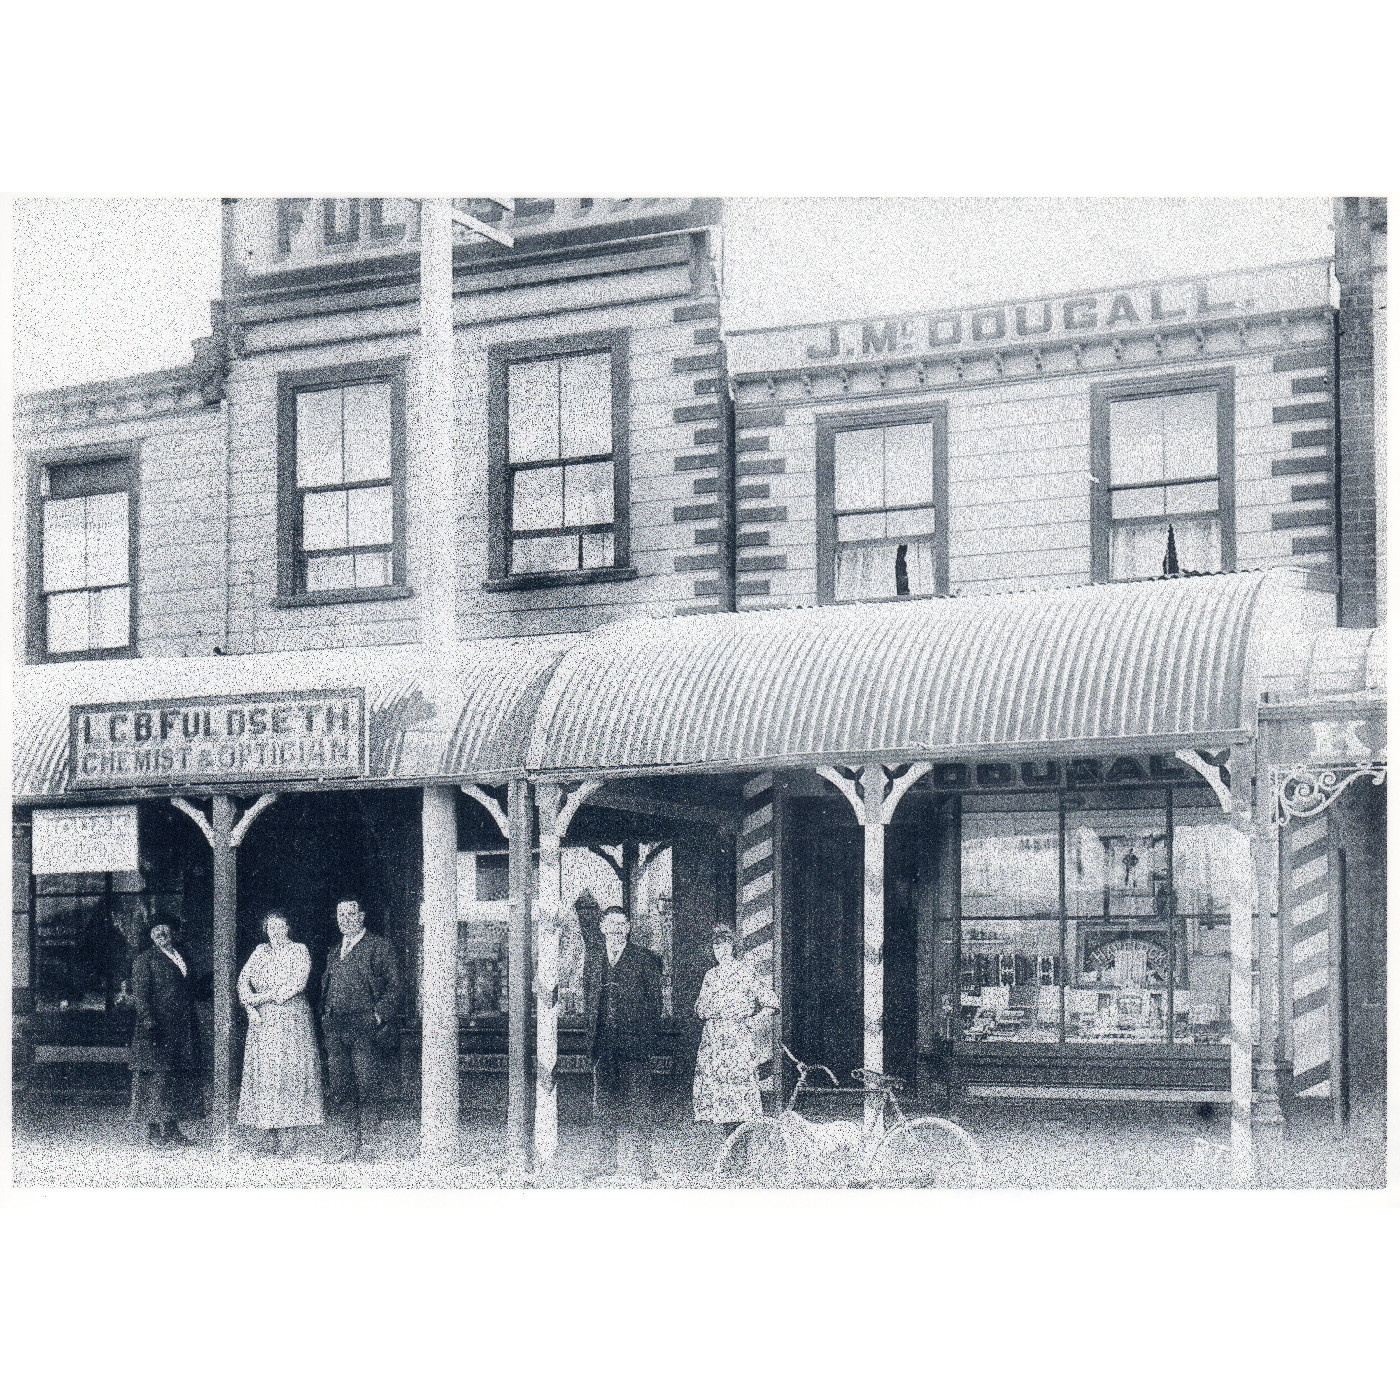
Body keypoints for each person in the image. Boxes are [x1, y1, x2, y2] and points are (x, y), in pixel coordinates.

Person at [582, 906, 663, 1181]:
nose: (616, 928)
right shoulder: (593, 960)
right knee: (603, 1107)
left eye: (621, 923)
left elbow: (655, 1006)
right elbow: (589, 1001)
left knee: (639, 1106)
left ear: (628, 928)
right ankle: (604, 1163)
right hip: (603, 1045)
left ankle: (644, 1167)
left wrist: (646, 1040)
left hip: (634, 1046)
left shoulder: (645, 959)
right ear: (602, 927)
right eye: (611, 923)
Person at [319, 895, 400, 1163]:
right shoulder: (333, 951)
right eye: (340, 915)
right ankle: (347, 1145)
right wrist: (325, 1016)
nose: (345, 920)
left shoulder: (379, 947)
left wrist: (378, 1016)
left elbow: (395, 987)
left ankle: (369, 1148)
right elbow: (326, 988)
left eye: (350, 915)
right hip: (336, 1029)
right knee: (341, 1087)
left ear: (362, 917)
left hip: (364, 1027)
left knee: (367, 1085)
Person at [237, 910, 325, 1154]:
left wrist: (260, 998)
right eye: (271, 927)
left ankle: (291, 1134)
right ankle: (268, 1131)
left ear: (288, 928)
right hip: (263, 1022)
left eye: (280, 926)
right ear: (265, 930)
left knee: (289, 1073)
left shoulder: (299, 950)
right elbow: (242, 982)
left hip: (291, 1017)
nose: (276, 931)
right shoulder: (260, 951)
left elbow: (297, 984)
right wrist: (248, 1006)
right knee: (267, 1075)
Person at [693, 924, 780, 1168]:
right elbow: (699, 1008)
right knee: (721, 1100)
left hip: (737, 1041)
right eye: (716, 946)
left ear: (733, 947)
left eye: (725, 945)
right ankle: (728, 1158)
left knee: (740, 1098)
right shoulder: (710, 975)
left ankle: (743, 1158)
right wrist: (707, 1010)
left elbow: (771, 1002)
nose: (720, 950)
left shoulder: (745, 972)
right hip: (714, 1041)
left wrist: (752, 1021)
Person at [129, 918, 205, 1147]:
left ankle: (172, 1129)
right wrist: (149, 1023)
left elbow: (191, 988)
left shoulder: (182, 956)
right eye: (157, 931)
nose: (162, 934)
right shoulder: (144, 960)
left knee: (175, 1078)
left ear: (172, 932)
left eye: (166, 930)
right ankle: (153, 1132)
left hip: (180, 1027)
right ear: (151, 936)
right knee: (155, 1078)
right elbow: (141, 997)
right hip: (156, 1028)